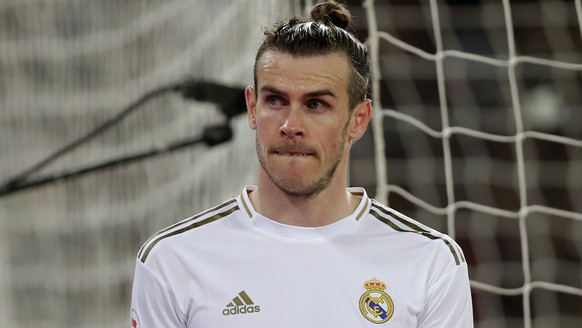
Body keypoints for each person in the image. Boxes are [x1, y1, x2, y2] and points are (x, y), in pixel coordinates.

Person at [130, 1, 473, 327]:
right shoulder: (172, 260)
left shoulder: (429, 262)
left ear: (358, 119)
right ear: (252, 108)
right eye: (276, 100)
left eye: (316, 104)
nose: (290, 124)